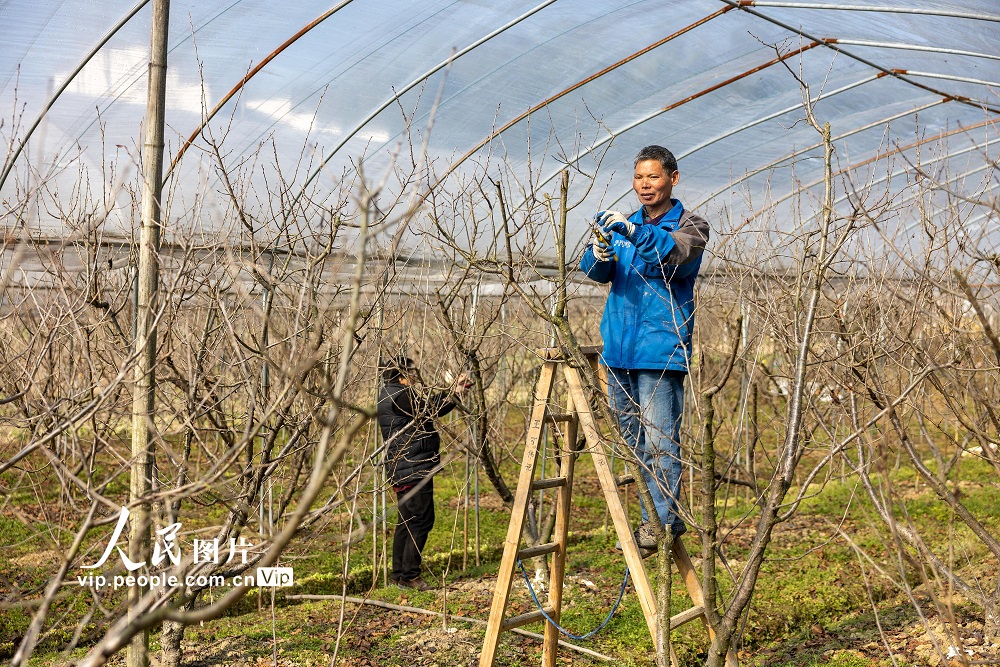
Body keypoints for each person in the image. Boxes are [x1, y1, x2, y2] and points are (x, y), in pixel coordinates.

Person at [579, 145, 710, 556]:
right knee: (633, 445)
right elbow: (599, 272)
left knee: (659, 441)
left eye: (653, 177)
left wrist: (633, 233)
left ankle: (663, 522)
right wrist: (598, 253)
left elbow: (675, 256)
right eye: (639, 178)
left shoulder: (691, 225)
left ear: (673, 177)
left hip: (659, 350)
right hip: (618, 351)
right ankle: (653, 517)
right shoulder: (626, 224)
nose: (645, 185)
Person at [377, 355, 471, 590]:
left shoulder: (389, 394)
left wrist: (455, 392)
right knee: (420, 520)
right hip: (413, 466)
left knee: (406, 522)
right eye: (411, 371)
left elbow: (428, 410)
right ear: (401, 374)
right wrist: (453, 390)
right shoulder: (401, 395)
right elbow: (430, 409)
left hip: (403, 467)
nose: (415, 375)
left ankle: (399, 575)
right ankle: (409, 576)